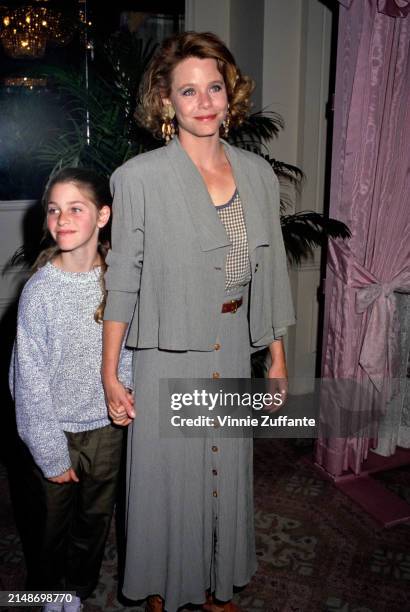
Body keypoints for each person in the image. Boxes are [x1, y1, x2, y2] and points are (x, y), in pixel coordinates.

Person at [102, 31, 295, 612]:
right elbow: (124, 278)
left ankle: (214, 584)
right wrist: (112, 372)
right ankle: (164, 587)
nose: (205, 101)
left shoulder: (258, 174)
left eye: (214, 87)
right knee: (166, 481)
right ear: (167, 102)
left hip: (233, 344)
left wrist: (278, 357)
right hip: (167, 350)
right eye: (189, 91)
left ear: (229, 93)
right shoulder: (138, 178)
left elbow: (272, 270)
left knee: (224, 472)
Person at [9, 168, 132, 612]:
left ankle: (77, 591)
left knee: (95, 520)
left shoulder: (119, 280)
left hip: (105, 429)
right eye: (54, 210)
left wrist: (126, 394)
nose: (61, 219)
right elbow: (29, 381)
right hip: (54, 429)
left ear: (102, 215)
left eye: (75, 209)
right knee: (49, 526)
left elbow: (128, 346)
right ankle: (48, 592)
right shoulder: (39, 291)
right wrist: (49, 450)